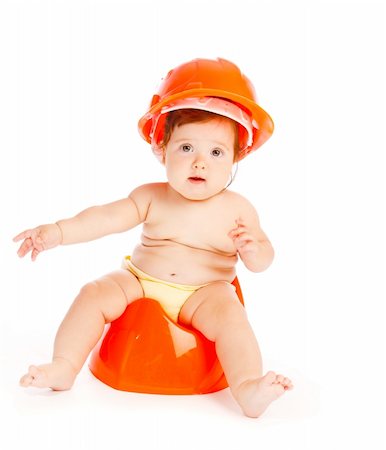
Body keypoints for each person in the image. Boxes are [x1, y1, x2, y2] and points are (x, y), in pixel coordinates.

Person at [14, 58, 293, 418]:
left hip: (204, 294)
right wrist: (57, 232)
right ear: (162, 148)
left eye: (216, 152)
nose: (199, 163)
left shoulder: (237, 209)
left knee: (232, 320)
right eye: (186, 148)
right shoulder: (151, 196)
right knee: (94, 293)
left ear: (237, 156)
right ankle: (64, 366)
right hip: (141, 281)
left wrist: (254, 249)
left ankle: (247, 388)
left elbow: (263, 260)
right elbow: (104, 218)